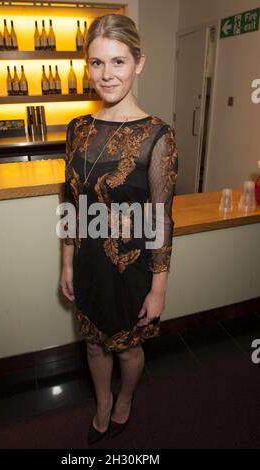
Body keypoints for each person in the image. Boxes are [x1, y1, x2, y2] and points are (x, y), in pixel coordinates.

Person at [60, 13, 178, 445]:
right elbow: (72, 202)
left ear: (138, 64)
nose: (106, 74)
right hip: (89, 260)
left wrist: (159, 287)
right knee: (93, 345)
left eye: (118, 62)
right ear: (87, 65)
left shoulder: (158, 136)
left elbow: (162, 219)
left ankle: (125, 398)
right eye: (96, 63)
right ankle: (103, 403)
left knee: (127, 347)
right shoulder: (77, 130)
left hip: (132, 266)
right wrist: (67, 262)